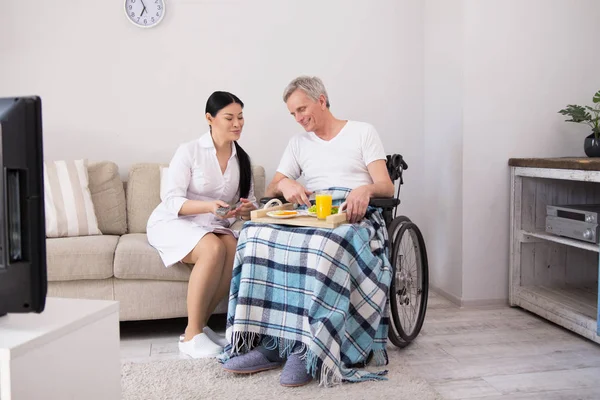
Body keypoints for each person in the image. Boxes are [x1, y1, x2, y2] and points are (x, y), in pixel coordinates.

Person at [221, 76, 395, 387]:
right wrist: (286, 184)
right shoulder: (298, 144)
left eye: (302, 109)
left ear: (322, 100)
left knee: (325, 246)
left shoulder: (362, 132)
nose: (299, 119)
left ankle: (309, 348)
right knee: (253, 236)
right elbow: (273, 186)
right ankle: (274, 342)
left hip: (354, 214)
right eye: (293, 114)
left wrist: (364, 190)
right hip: (311, 212)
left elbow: (386, 185)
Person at [147, 91, 258, 359]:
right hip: (174, 221)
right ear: (209, 118)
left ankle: (197, 326)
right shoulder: (189, 151)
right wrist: (209, 206)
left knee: (232, 246)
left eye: (241, 117)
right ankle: (192, 336)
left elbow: (250, 201)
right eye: (229, 117)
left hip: (211, 224)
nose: (237, 123)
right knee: (212, 249)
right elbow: (172, 200)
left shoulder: (241, 159)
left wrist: (244, 209)